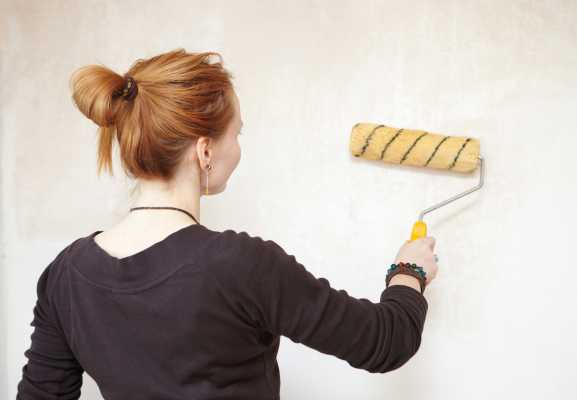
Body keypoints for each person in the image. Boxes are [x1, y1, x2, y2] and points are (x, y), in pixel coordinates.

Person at [15, 48, 439, 400]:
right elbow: (384, 341)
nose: (238, 148)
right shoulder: (240, 265)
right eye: (237, 133)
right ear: (204, 151)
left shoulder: (65, 275)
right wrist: (409, 272)